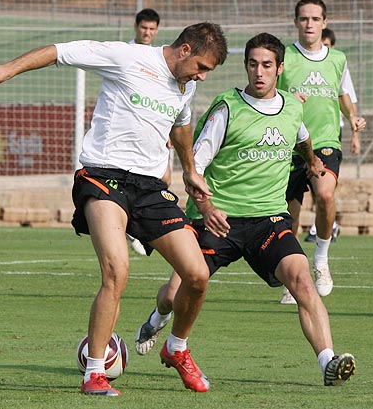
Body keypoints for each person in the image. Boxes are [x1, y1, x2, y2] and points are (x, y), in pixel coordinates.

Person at [0, 22, 228, 396]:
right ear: (185, 49)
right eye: (201, 67)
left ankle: (176, 348)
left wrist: (189, 170)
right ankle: (94, 373)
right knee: (116, 272)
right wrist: (8, 69)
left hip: (150, 188)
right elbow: (59, 51)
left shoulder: (185, 86)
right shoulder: (127, 56)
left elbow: (181, 124)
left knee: (198, 275)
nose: (202, 76)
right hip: (104, 177)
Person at [134, 33, 356, 387]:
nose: (259, 72)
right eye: (253, 64)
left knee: (302, 281)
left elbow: (301, 138)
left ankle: (328, 361)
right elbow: (195, 168)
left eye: (267, 65)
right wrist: (206, 207)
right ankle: (157, 318)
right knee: (174, 295)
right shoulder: (227, 108)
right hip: (219, 220)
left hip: (269, 220)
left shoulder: (292, 106)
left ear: (280, 69)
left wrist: (312, 161)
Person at [277, 0, 366, 304]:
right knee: (289, 215)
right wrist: (288, 100)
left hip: (325, 141)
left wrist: (351, 117)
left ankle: (321, 259)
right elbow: (268, 91)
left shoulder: (337, 58)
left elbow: (342, 93)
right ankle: (291, 276)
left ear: (324, 22)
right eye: (304, 18)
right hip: (289, 143)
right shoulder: (284, 56)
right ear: (295, 22)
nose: (309, 24)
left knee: (325, 195)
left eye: (315, 19)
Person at [304, 27, 360, 243]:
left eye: (327, 45)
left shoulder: (337, 63)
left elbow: (348, 101)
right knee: (306, 194)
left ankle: (325, 232)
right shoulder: (294, 60)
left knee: (325, 192)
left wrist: (355, 134)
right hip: (299, 137)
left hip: (329, 136)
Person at [125, 8, 163, 256]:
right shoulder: (125, 54)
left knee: (163, 177)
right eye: (143, 28)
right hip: (129, 129)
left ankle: (135, 223)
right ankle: (130, 223)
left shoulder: (158, 58)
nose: (147, 33)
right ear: (136, 28)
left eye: (151, 29)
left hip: (153, 127)